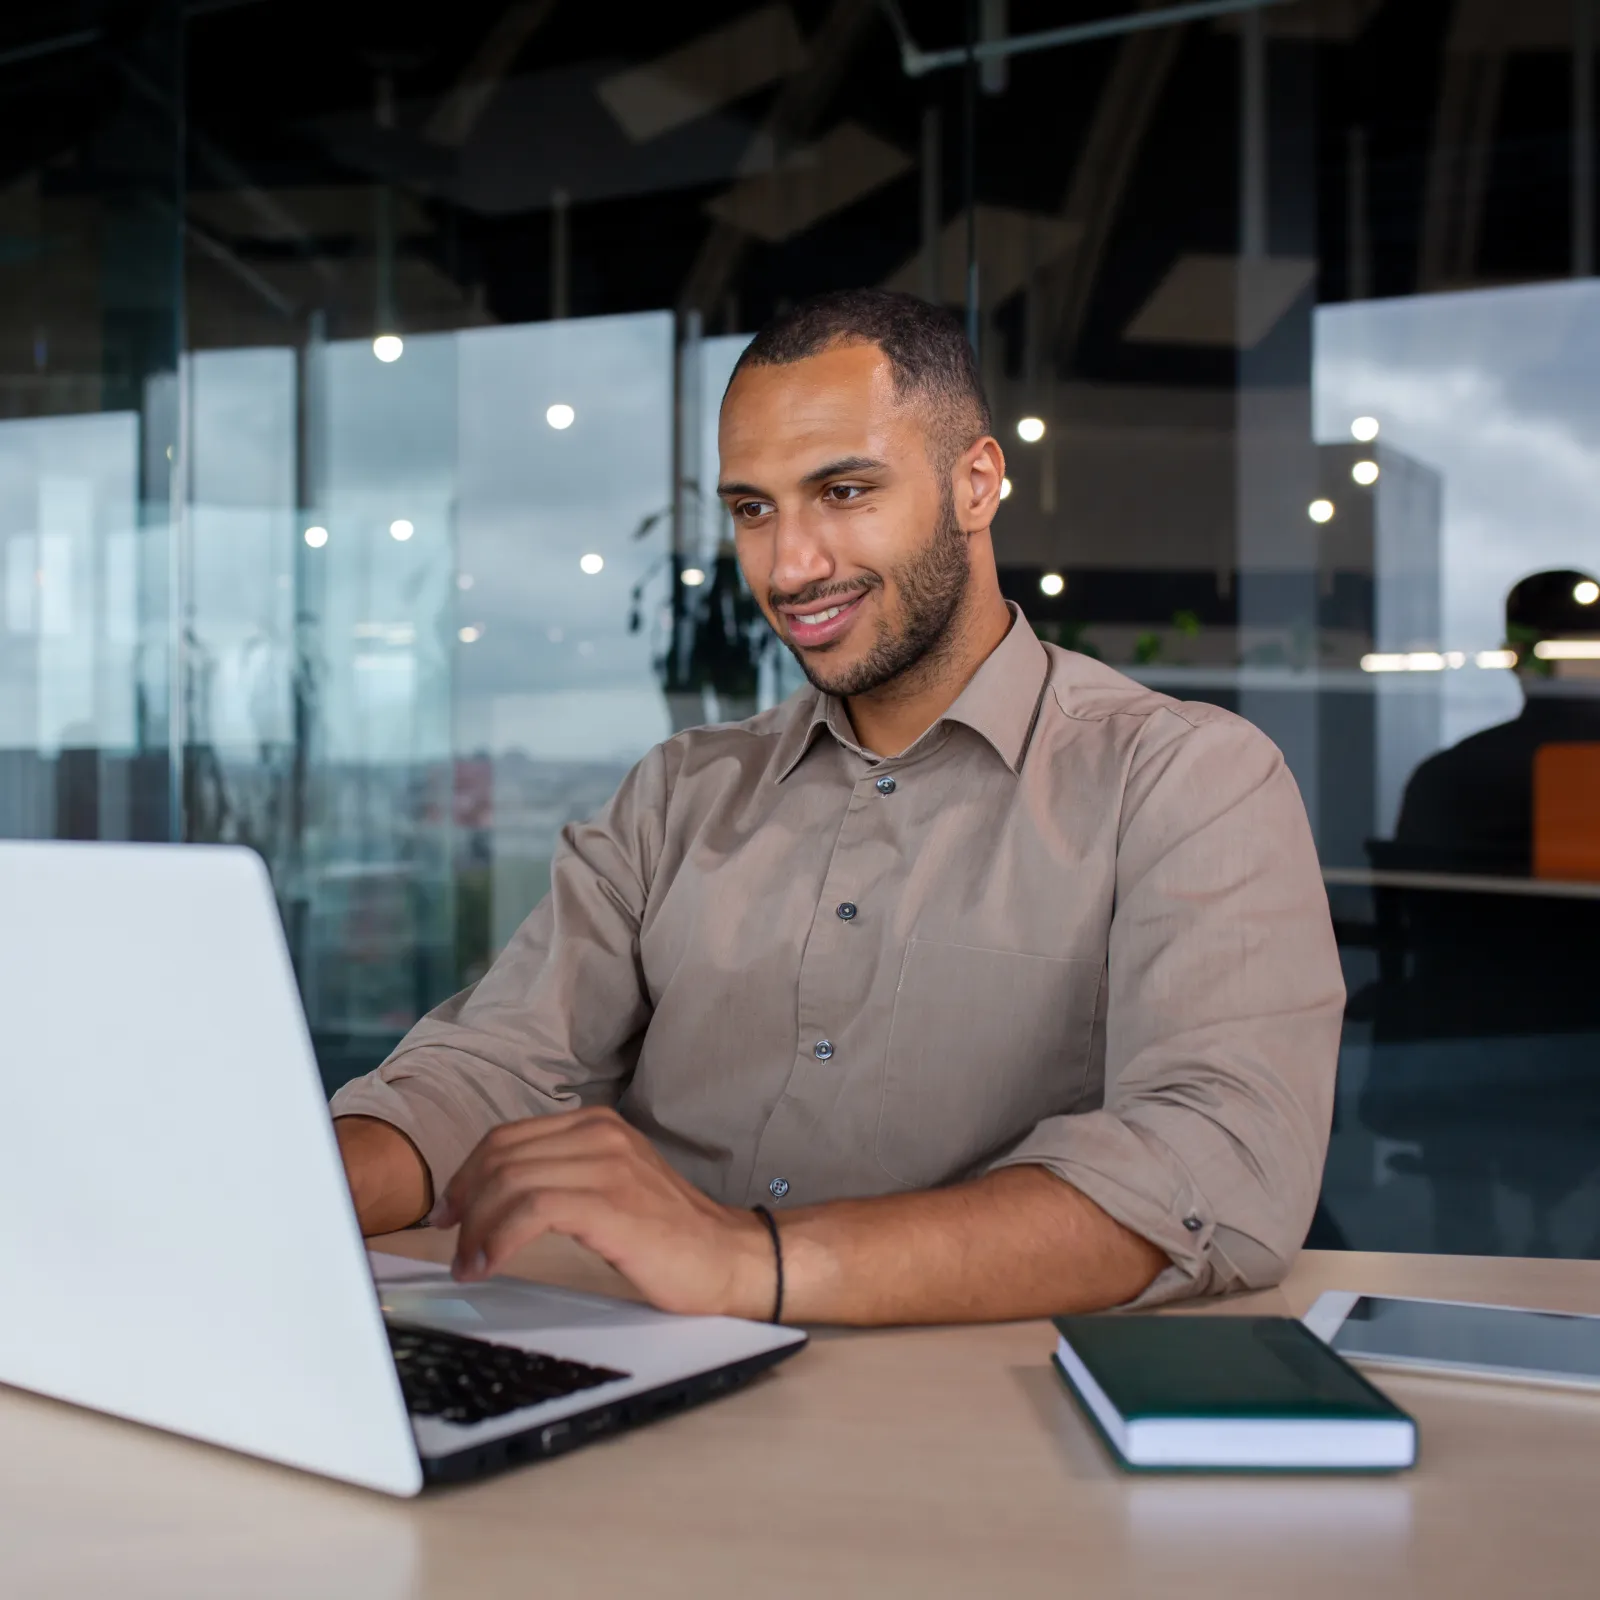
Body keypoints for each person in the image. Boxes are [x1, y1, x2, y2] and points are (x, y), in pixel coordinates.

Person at [332, 289, 1343, 1325]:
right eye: (752, 509)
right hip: (649, 1374)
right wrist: (287, 1187)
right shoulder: (679, 793)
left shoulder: (1185, 781)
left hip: (974, 1413)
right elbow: (497, 1065)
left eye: (844, 490)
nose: (789, 565)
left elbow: (1217, 1163)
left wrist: (748, 1263)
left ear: (976, 484)